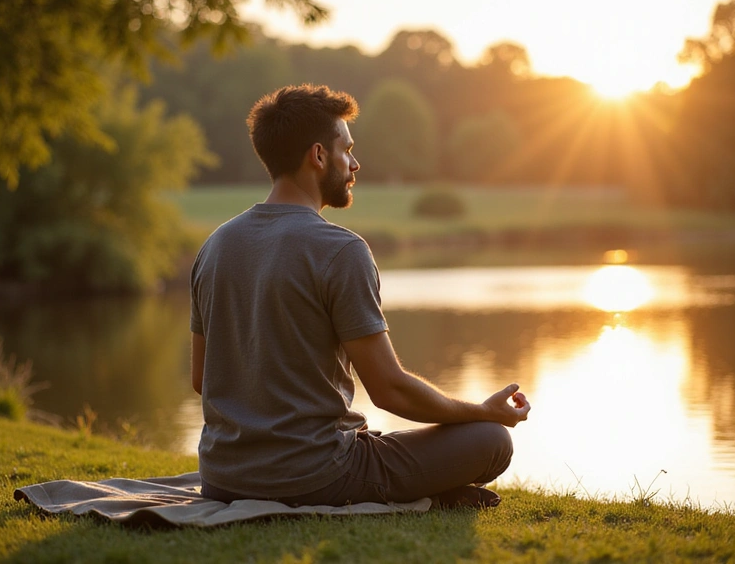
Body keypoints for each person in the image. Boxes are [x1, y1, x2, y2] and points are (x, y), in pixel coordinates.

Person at [189, 84, 531, 508]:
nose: (354, 164)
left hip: (222, 478)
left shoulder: (214, 246)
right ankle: (426, 496)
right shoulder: (340, 250)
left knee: (384, 442)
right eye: (346, 150)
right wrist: (484, 411)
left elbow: (202, 379)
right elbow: (390, 390)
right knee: (491, 441)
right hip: (318, 476)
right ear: (317, 156)